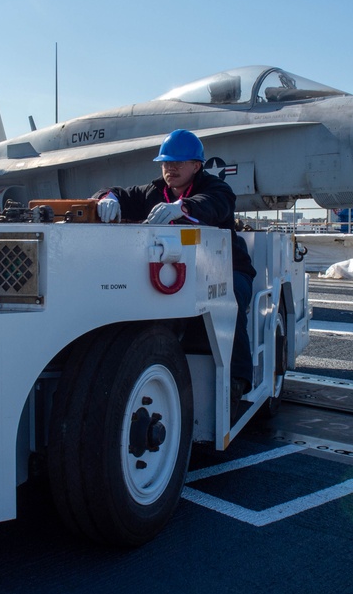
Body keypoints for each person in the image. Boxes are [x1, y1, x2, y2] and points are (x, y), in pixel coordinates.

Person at [95, 129, 257, 403]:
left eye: (178, 163)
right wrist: (107, 198)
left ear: (196, 166)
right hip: (173, 272)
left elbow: (215, 205)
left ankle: (238, 380)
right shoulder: (154, 192)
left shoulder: (216, 189)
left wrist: (183, 208)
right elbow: (121, 193)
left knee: (231, 302)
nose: (171, 168)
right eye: (166, 163)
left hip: (228, 270)